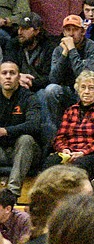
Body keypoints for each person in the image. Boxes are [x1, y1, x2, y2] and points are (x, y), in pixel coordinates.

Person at [43, 70, 94, 177]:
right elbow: (59, 138)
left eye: (91, 88)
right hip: (70, 153)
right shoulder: (70, 110)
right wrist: (65, 150)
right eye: (83, 87)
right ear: (78, 90)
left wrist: (82, 153)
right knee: (49, 163)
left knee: (77, 167)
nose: (86, 91)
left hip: (92, 155)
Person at [44, 14, 94, 124]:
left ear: (83, 32)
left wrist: (72, 49)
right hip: (67, 90)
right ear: (63, 33)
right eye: (68, 30)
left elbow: (84, 77)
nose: (71, 34)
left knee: (84, 89)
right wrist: (64, 54)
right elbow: (53, 79)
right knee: (50, 89)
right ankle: (59, 128)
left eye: (75, 29)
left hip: (88, 91)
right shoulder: (59, 50)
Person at [0, 58, 43, 197]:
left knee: (26, 139)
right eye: (4, 73)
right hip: (2, 151)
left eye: (12, 73)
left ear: (19, 77)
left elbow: (34, 125)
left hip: (25, 152)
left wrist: (6, 131)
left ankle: (12, 193)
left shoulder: (29, 98)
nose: (8, 76)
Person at [9, 13, 54, 96]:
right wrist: (17, 78)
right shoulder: (14, 44)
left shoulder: (49, 46)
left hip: (39, 88)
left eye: (24, 28)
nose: (19, 32)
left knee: (45, 92)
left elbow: (50, 77)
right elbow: (7, 66)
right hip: (17, 85)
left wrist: (30, 82)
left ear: (37, 31)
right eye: (19, 28)